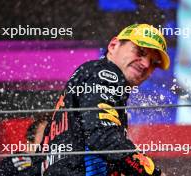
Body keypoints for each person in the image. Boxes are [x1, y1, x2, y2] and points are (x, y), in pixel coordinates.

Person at [40, 24, 170, 176]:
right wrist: (153, 173)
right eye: (140, 51)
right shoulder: (105, 74)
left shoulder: (88, 74)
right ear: (113, 45)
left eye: (154, 62)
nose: (146, 64)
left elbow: (42, 154)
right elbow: (104, 138)